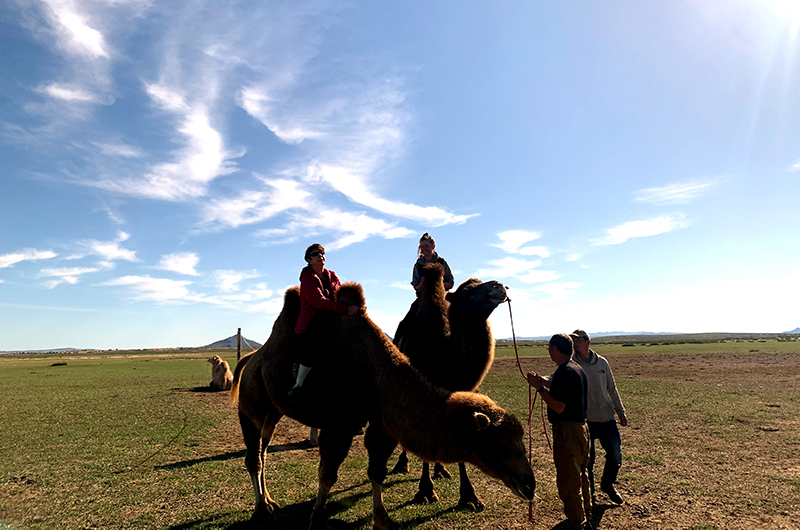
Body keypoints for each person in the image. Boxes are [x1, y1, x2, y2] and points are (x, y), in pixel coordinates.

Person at [527, 333, 591, 530]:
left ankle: (576, 523)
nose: (548, 351)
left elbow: (559, 407)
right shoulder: (575, 368)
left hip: (567, 432)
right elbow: (557, 385)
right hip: (581, 429)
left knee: (569, 480)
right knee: (581, 475)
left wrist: (540, 389)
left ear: (555, 349)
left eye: (549, 348)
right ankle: (585, 514)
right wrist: (542, 382)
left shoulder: (565, 372)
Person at [289, 244, 359, 400]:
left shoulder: (332, 276)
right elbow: (317, 301)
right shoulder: (307, 277)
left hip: (333, 318)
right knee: (313, 349)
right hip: (313, 322)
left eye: (322, 252)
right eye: (315, 254)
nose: (320, 255)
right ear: (309, 260)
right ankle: (298, 385)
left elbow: (340, 293)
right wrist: (345, 309)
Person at [570, 329, 628, 505]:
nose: (575, 344)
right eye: (573, 341)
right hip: (586, 420)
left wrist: (621, 411)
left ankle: (607, 485)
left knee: (615, 454)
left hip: (606, 418)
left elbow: (612, 388)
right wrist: (541, 381)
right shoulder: (572, 364)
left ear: (588, 342)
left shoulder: (602, 362)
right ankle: (591, 495)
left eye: (578, 340)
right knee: (588, 462)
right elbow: (558, 378)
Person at [394, 233, 454, 343]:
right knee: (404, 323)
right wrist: (422, 284)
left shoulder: (442, 262)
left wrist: (439, 283)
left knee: (461, 317)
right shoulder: (418, 265)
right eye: (422, 247)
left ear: (433, 247)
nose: (424, 249)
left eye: (426, 246)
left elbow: (451, 282)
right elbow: (416, 287)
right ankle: (395, 348)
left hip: (442, 297)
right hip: (423, 299)